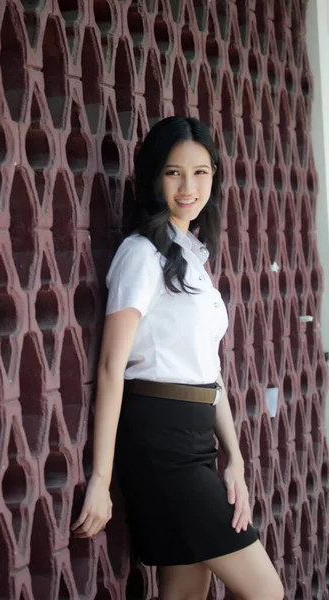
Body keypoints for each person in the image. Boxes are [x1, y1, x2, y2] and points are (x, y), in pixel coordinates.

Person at [71, 116, 284, 600]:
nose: (188, 186)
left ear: (214, 176)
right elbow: (111, 367)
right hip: (158, 442)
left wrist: (235, 460)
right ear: (153, 177)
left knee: (186, 593)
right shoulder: (140, 255)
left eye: (201, 172)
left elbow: (210, 374)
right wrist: (100, 480)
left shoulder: (195, 260)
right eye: (173, 172)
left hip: (195, 439)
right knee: (267, 593)